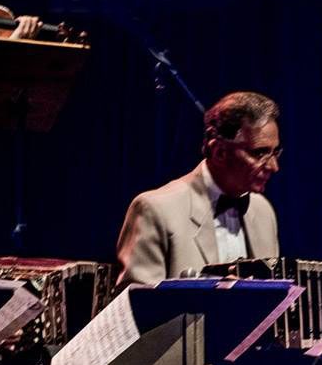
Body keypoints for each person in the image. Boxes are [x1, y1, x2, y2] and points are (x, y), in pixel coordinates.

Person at [115, 91, 281, 286]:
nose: (273, 167)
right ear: (219, 151)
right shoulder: (155, 209)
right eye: (259, 153)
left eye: (275, 152)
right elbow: (137, 301)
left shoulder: (263, 212)